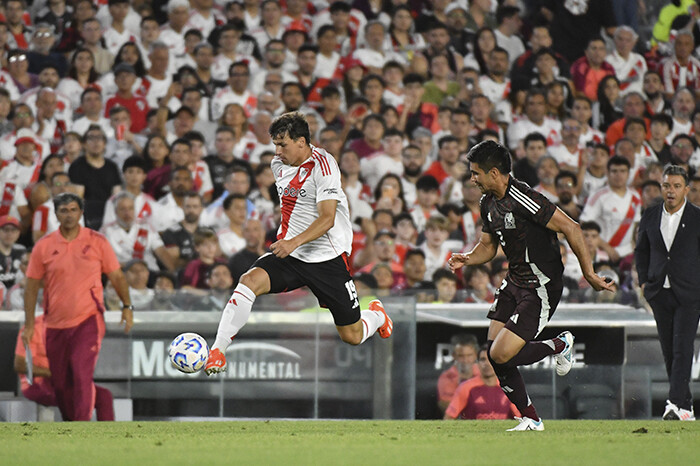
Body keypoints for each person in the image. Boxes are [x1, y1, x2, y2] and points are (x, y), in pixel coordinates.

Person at [205, 112, 393, 375]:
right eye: (275, 144)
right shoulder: (278, 165)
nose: (277, 151)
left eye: (282, 144)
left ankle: (377, 315)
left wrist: (292, 242)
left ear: (302, 142)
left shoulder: (325, 166)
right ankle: (218, 351)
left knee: (352, 335)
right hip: (292, 254)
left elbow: (327, 219)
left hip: (327, 258)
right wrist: (289, 241)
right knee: (248, 282)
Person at [448, 140, 613, 431]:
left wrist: (589, 273)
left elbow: (571, 227)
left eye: (476, 173)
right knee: (495, 353)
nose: (472, 179)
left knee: (500, 354)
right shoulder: (488, 202)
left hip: (541, 286)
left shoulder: (523, 197)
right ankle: (532, 418)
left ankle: (560, 344)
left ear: (495, 173)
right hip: (514, 280)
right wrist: (469, 258)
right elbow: (488, 245)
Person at [22, 193, 133, 422]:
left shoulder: (97, 241)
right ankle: (72, 425)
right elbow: (31, 287)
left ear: (81, 213)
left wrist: (127, 306)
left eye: (73, 210)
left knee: (82, 374)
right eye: (64, 211)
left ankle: (81, 427)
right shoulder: (44, 246)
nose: (69, 215)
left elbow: (117, 276)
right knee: (61, 383)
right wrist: (31, 324)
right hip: (54, 323)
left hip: (88, 319)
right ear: (56, 215)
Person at [635, 165, 700, 421]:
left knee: (682, 347)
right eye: (666, 185)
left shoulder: (697, 217)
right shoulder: (650, 215)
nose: (670, 191)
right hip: (659, 290)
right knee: (669, 348)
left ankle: (673, 403)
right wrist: (643, 281)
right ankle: (686, 407)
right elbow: (641, 251)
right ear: (661, 187)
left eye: (675, 186)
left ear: (686, 189)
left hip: (690, 292)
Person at [14, 314, 116, 421]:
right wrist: (52, 373)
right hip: (38, 383)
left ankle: (107, 436)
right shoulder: (34, 327)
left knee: (104, 396)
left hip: (65, 381)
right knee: (75, 398)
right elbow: (20, 365)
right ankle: (78, 434)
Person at [444, 344, 519, 420]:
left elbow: (520, 417)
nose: (486, 364)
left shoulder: (508, 387)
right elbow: (449, 418)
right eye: (483, 359)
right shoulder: (465, 387)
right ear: (477, 363)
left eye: (490, 360)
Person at [437, 333, 480, 415]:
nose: (465, 360)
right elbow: (445, 406)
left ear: (475, 355)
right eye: (461, 356)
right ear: (454, 356)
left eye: (469, 355)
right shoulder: (447, 377)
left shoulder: (485, 373)